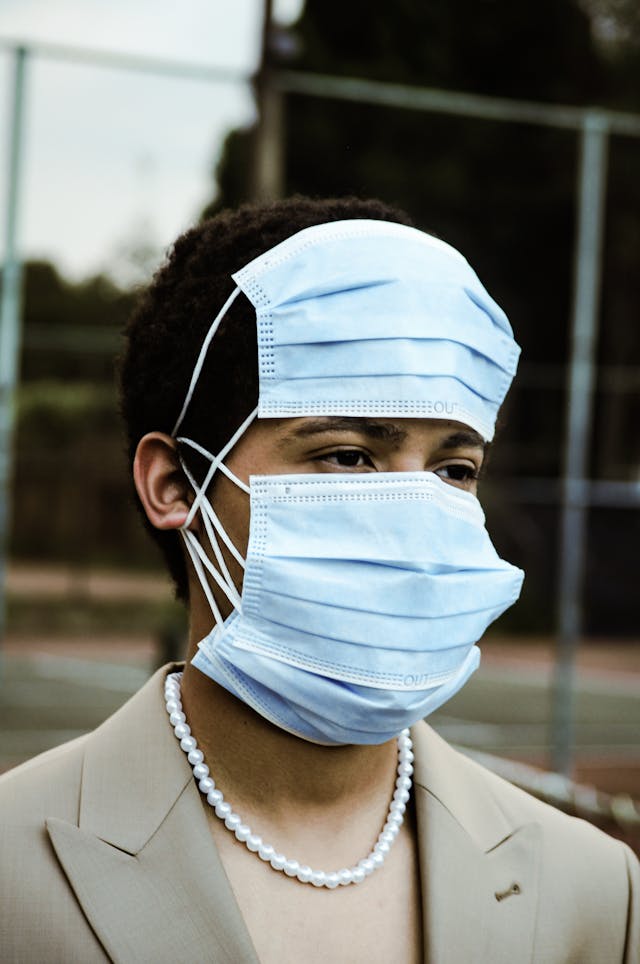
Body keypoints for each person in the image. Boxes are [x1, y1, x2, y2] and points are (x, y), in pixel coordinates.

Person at [0, 196, 637, 963]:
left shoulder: (597, 892)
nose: (415, 511)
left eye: (453, 467)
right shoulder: (13, 873)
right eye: (347, 454)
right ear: (174, 484)